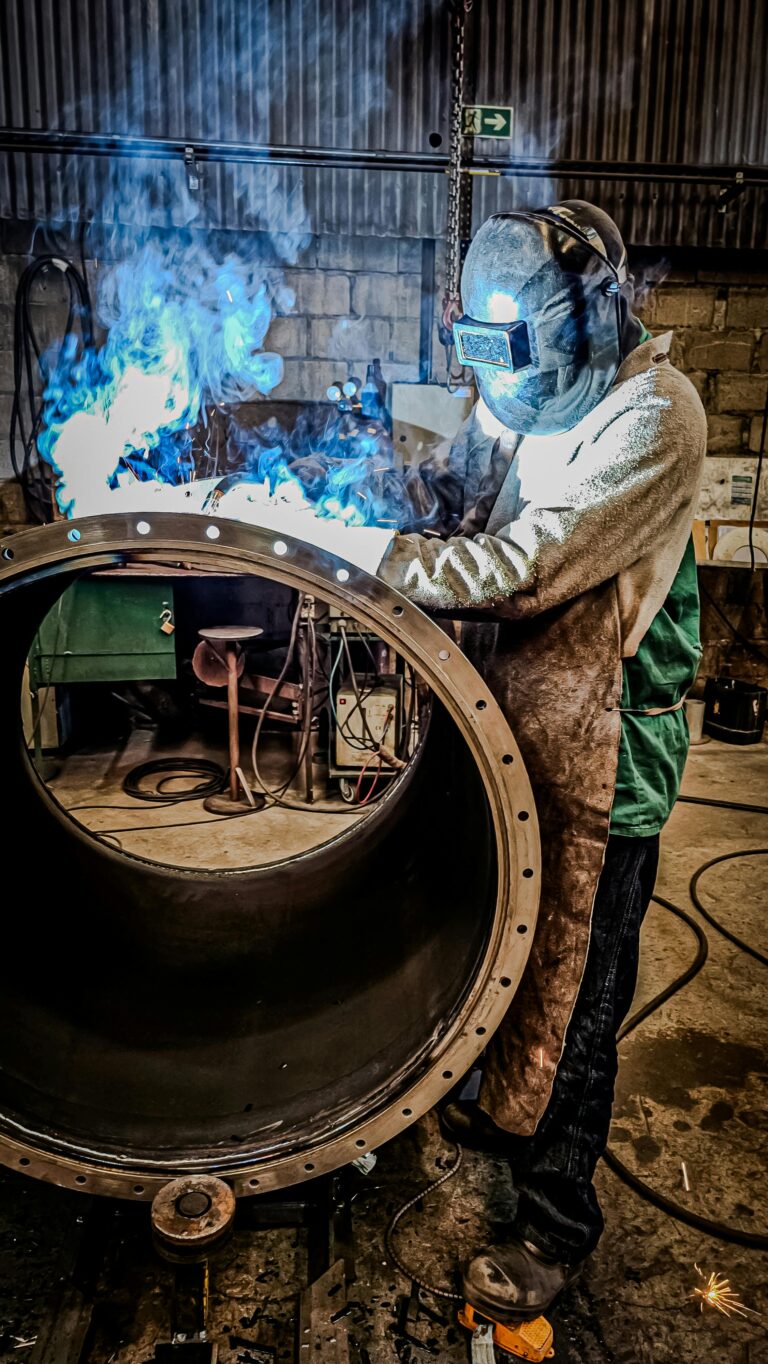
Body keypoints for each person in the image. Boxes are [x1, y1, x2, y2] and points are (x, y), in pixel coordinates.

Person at [247, 200, 706, 1321]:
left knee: (582, 991)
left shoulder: (654, 416)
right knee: (499, 936)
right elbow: (445, 496)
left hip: (610, 751)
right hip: (512, 724)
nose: (504, 385)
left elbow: (520, 567)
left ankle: (556, 1218)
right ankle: (500, 1105)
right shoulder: (523, 397)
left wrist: (363, 555)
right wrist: (322, 491)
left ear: (592, 317)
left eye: (523, 354)